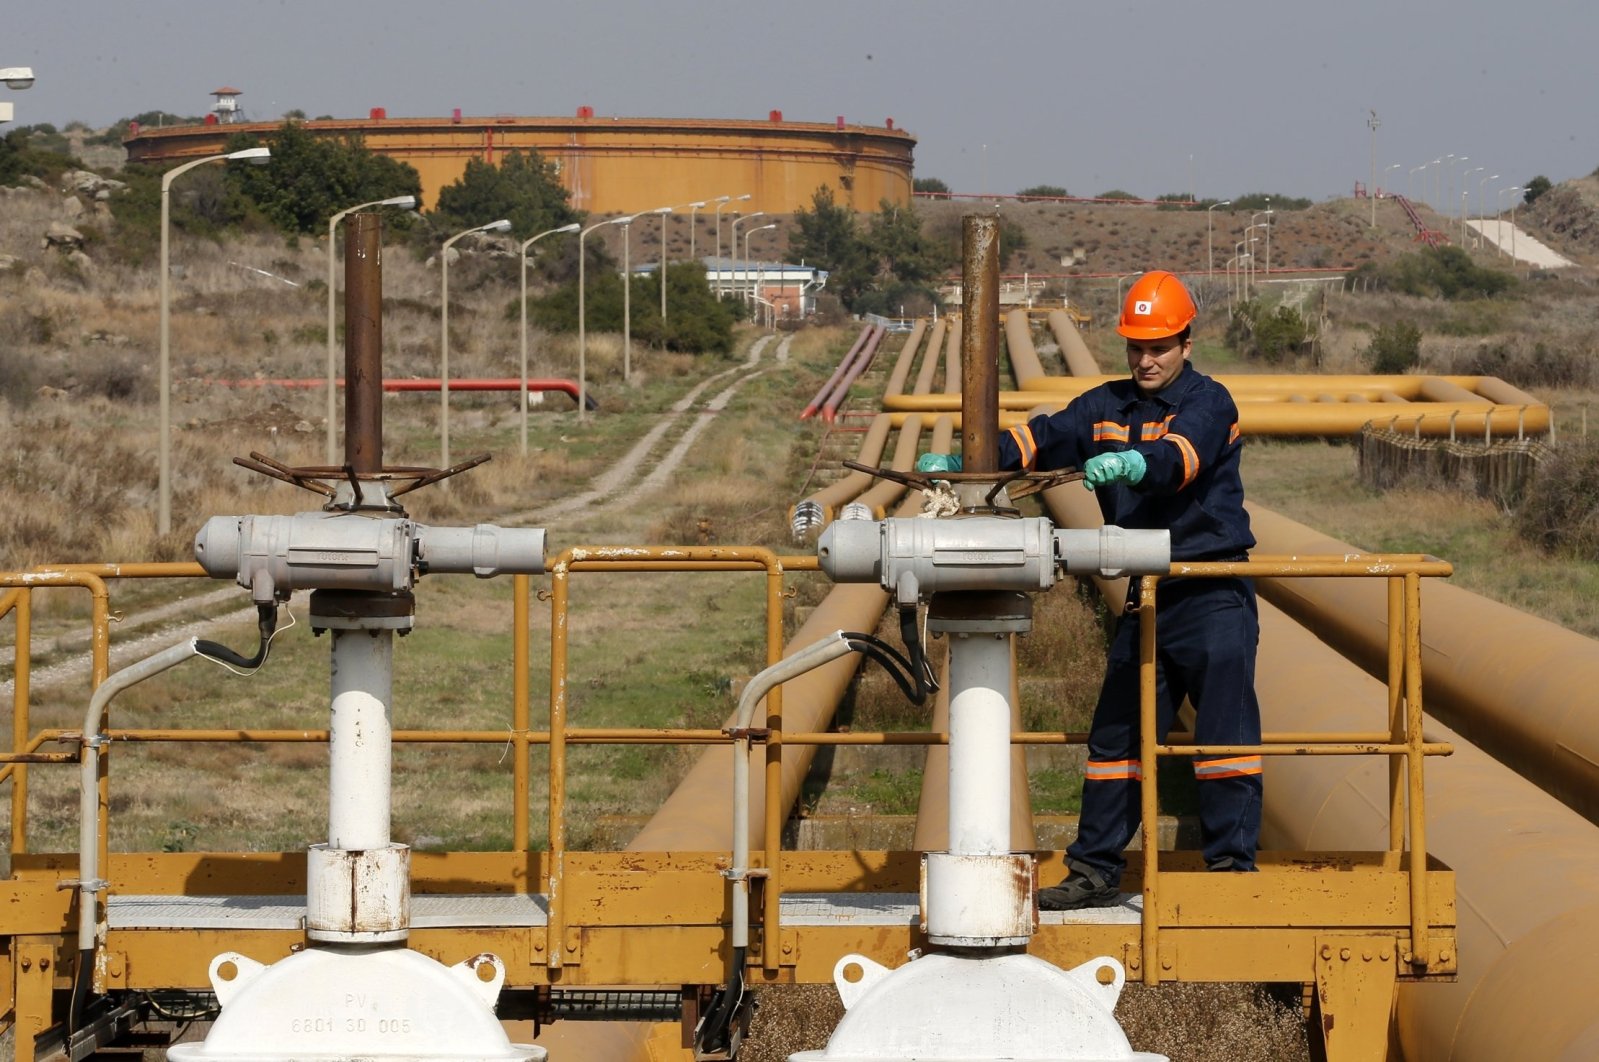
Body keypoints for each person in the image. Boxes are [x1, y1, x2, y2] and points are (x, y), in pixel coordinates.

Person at [916, 269, 1261, 910]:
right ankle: (1096, 870)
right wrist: (970, 459)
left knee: (1222, 740)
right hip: (1146, 594)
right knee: (1115, 741)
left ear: (1186, 343)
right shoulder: (1104, 407)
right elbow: (1038, 439)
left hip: (1211, 589)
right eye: (1136, 347)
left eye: (1158, 347)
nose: (1145, 359)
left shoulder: (1210, 403)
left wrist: (1135, 463)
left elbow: (1179, 460)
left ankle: (1230, 875)